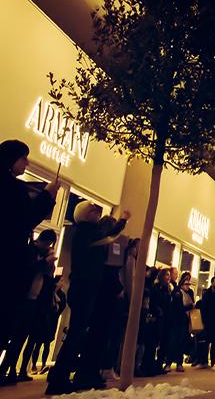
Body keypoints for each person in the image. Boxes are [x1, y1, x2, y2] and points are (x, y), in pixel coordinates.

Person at [46, 202, 128, 395]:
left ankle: (62, 376)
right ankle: (59, 378)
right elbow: (107, 238)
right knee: (76, 333)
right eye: (93, 210)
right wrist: (122, 221)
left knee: (78, 332)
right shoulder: (85, 233)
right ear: (84, 215)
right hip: (84, 289)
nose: (97, 212)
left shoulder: (88, 233)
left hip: (86, 289)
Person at [0, 140, 59, 362]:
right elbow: (24, 221)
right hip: (7, 263)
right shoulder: (12, 188)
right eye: (23, 158)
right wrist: (47, 196)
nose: (27, 163)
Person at [0, 228, 57, 384]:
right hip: (20, 300)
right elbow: (25, 271)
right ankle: (6, 370)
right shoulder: (29, 252)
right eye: (47, 243)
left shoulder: (43, 256)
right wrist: (44, 262)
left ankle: (8, 370)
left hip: (34, 301)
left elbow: (47, 278)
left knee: (20, 338)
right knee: (10, 335)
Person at [167, 272, 195, 371]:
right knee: (173, 342)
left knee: (181, 342)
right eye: (186, 283)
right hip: (177, 321)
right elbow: (177, 308)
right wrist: (190, 306)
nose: (188, 286)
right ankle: (168, 363)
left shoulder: (190, 293)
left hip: (185, 321)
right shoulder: (177, 292)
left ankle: (179, 362)